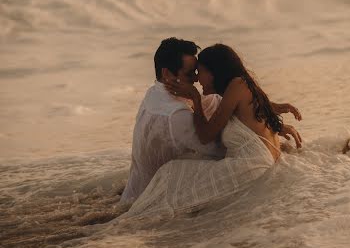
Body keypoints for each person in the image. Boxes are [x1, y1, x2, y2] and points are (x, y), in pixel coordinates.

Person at [122, 42, 302, 219]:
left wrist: (195, 99)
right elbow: (233, 109)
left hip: (251, 165)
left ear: (215, 71)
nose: (196, 80)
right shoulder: (235, 87)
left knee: (171, 175)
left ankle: (136, 217)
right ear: (167, 74)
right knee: (172, 176)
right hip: (258, 161)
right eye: (191, 73)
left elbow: (206, 135)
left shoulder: (154, 95)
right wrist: (271, 123)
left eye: (199, 72)